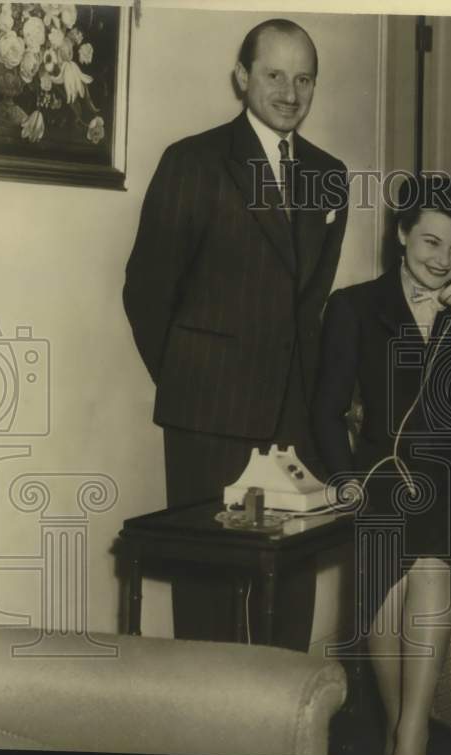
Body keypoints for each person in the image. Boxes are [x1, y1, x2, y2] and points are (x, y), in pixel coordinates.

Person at [123, 19, 349, 640]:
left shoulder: (330, 174)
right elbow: (146, 291)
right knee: (209, 588)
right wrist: (192, 378)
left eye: (304, 78)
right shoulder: (193, 162)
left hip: (293, 417)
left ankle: (280, 724)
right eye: (274, 75)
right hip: (208, 412)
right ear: (242, 78)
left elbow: (312, 304)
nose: (290, 91)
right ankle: (209, 725)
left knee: (291, 583)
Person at [312, 175, 451, 755]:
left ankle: (410, 740)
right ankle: (403, 733)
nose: (444, 261)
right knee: (385, 593)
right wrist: (343, 478)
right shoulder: (354, 306)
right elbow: (325, 409)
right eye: (430, 243)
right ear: (400, 235)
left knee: (427, 559)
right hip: (381, 472)